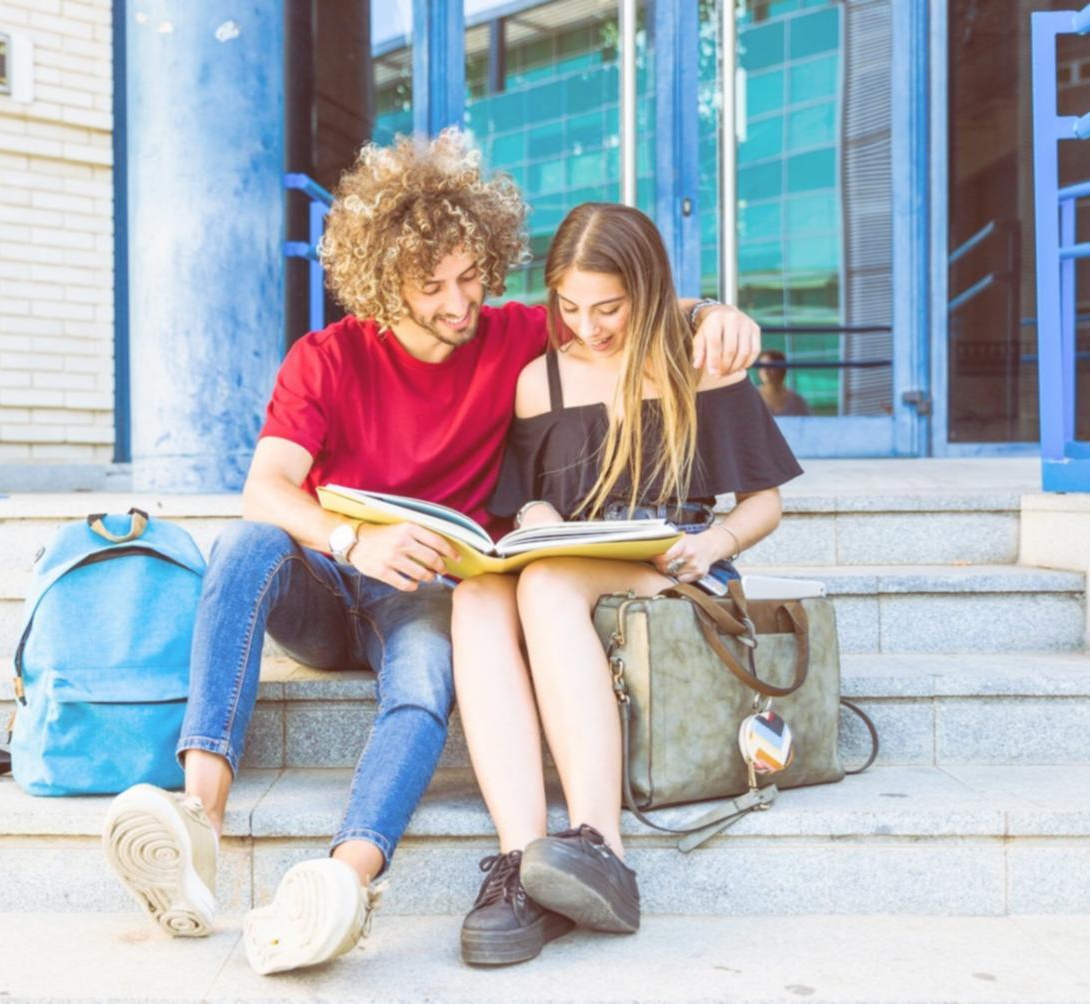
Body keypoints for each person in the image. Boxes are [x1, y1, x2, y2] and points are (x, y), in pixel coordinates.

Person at [99, 130, 762, 976]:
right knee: (246, 543)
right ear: (382, 284)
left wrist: (714, 313)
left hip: (426, 592)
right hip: (329, 578)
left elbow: (617, 311)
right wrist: (352, 539)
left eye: (470, 276)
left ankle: (347, 880)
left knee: (421, 683)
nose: (459, 304)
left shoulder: (517, 336)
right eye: (432, 286)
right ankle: (200, 815)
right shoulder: (325, 358)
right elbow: (266, 488)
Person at [451, 202, 802, 967]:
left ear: (647, 289)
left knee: (544, 585)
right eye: (569, 307)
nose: (588, 326)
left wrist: (713, 540)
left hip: (675, 575)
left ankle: (599, 846)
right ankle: (520, 863)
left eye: (607, 307)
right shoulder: (538, 381)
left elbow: (763, 502)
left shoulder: (698, 360)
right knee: (478, 597)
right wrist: (538, 510)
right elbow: (525, 501)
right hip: (576, 565)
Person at [755, 349, 812, 415]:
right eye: (761, 366)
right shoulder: (753, 398)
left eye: (770, 366)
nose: (765, 371)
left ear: (782, 369)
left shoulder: (797, 401)